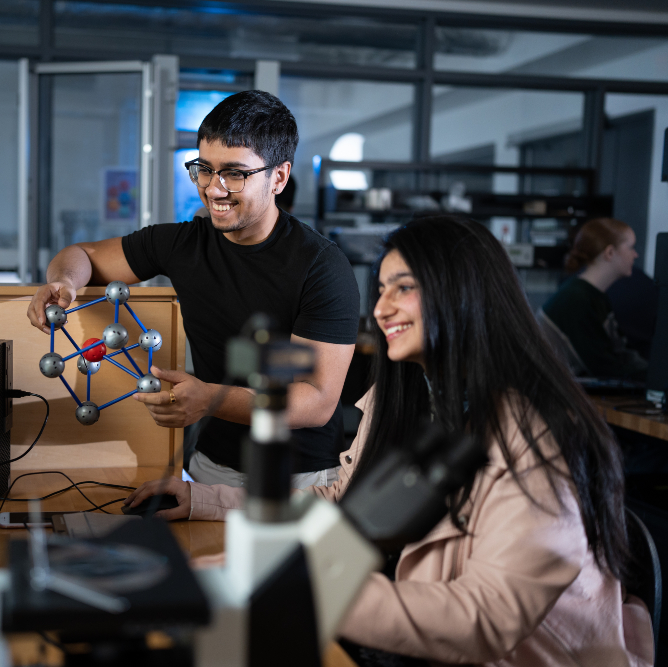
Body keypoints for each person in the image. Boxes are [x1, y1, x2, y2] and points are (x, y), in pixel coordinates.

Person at [126, 215, 653, 666]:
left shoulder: (537, 436)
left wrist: (306, 586)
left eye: (404, 287)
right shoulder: (408, 396)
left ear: (462, 290)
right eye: (380, 289)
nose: (381, 309)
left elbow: (485, 618)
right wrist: (203, 500)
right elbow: (341, 501)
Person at [27, 90, 359, 489]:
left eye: (235, 174)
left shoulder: (321, 265)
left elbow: (317, 401)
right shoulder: (184, 243)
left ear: (280, 177)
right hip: (209, 468)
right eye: (204, 168)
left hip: (300, 479)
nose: (214, 189)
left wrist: (210, 399)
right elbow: (81, 255)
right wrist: (63, 281)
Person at [543, 217, 648, 380]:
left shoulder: (593, 295)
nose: (635, 254)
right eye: (630, 247)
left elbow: (618, 353)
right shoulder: (576, 299)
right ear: (610, 253)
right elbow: (605, 367)